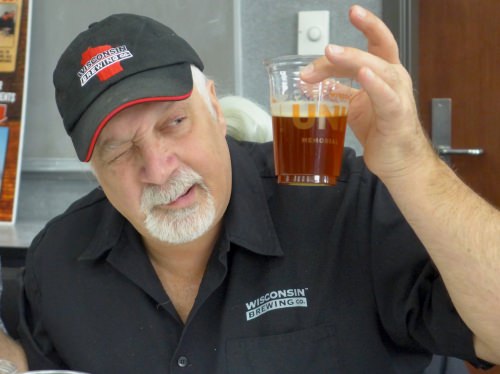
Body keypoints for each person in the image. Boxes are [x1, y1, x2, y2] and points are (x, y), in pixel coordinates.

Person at [1, 6, 499, 373]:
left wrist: (412, 162)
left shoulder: (346, 207)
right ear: (93, 168)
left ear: (216, 109)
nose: (156, 167)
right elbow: (28, 353)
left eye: (174, 122)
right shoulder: (60, 258)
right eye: (118, 149)